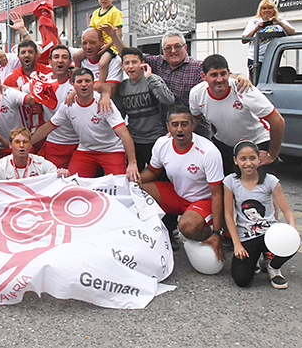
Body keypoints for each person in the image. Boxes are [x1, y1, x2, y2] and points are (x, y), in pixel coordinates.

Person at [137, 105, 225, 261]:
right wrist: (132, 180)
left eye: (184, 124)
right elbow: (152, 172)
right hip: (177, 195)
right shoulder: (161, 144)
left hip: (203, 200)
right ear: (168, 127)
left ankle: (213, 232)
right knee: (138, 189)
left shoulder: (208, 151)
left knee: (187, 227)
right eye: (175, 124)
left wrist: (217, 232)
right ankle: (151, 238)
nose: (179, 129)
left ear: (192, 125)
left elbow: (217, 194)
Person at [32, 68, 139, 181]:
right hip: (85, 150)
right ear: (72, 84)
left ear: (93, 83)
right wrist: (29, 142)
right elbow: (48, 126)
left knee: (118, 185)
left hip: (112, 149)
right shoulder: (68, 104)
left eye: (87, 81)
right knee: (73, 183)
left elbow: (124, 134)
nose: (84, 84)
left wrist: (132, 163)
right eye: (79, 82)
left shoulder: (104, 103)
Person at [189, 54, 285, 174]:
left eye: (223, 74)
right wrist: (179, 134)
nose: (219, 79)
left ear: (229, 73)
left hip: (256, 144)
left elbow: (278, 121)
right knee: (226, 187)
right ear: (204, 76)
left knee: (257, 189)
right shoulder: (196, 93)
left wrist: (272, 154)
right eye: (214, 75)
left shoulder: (244, 89)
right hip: (225, 145)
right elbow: (195, 118)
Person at [224, 140, 297, 289]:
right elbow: (228, 215)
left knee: (293, 242)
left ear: (259, 159)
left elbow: (288, 211)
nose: (248, 163)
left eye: (252, 158)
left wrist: (293, 228)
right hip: (246, 235)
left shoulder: (270, 181)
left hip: (270, 232)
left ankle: (274, 267)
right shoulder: (230, 182)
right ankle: (256, 259)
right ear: (236, 161)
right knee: (241, 280)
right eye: (243, 159)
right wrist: (237, 244)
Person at [114, 47, 175, 171]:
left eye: (134, 62)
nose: (131, 66)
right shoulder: (122, 87)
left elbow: (169, 100)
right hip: (134, 141)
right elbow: (119, 115)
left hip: (156, 139)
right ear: (122, 67)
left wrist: (150, 77)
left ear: (142, 64)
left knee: (161, 178)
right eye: (127, 63)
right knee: (135, 179)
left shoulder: (153, 79)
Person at [72, 0, 123, 91]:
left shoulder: (115, 12)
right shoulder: (95, 13)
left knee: (102, 63)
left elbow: (119, 33)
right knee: (76, 56)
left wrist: (108, 45)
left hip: (111, 46)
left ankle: (101, 83)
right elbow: (92, 30)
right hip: (97, 44)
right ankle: (75, 77)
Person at [37, 45, 79, 169]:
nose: (60, 60)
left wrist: (76, 90)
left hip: (79, 144)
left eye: (64, 57)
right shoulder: (42, 84)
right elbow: (18, 91)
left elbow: (100, 87)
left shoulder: (78, 82)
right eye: (56, 57)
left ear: (70, 62)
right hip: (54, 144)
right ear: (50, 62)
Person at [3, 39, 53, 132]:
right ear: (18, 56)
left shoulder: (49, 72)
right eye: (23, 52)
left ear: (37, 55)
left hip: (48, 130)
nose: (27, 55)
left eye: (30, 52)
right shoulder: (11, 79)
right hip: (23, 132)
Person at [0, 127, 67, 180]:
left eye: (25, 142)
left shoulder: (40, 162)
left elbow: (58, 176)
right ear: (10, 145)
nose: (22, 145)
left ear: (30, 145)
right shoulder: (2, 164)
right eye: (17, 142)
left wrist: (64, 174)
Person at [242, 0, 295, 68]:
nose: (267, 10)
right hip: (256, 58)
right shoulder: (254, 21)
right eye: (264, 8)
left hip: (273, 57)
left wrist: (280, 23)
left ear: (274, 10)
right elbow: (244, 40)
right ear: (260, 11)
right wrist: (256, 29)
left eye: (270, 8)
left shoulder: (280, 20)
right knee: (257, 78)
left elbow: (292, 33)